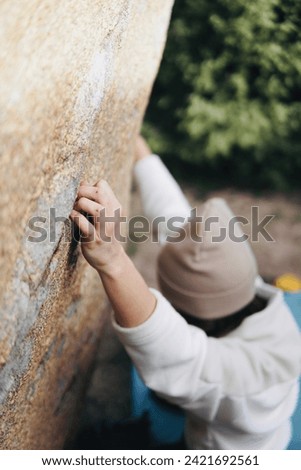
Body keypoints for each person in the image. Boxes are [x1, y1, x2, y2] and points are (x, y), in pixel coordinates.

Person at [70, 136, 301, 450]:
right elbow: (180, 225)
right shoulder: (246, 291)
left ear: (191, 319)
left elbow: (172, 353)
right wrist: (139, 148)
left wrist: (112, 258)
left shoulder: (251, 382)